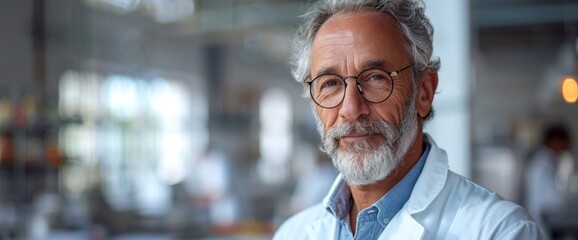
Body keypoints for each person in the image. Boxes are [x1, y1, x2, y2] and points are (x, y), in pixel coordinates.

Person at [274, 0, 545, 239]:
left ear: (424, 92)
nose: (351, 109)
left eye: (375, 78)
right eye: (330, 83)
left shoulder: (500, 231)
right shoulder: (292, 233)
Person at [525, 123, 572, 235]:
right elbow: (553, 200)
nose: (568, 145)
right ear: (554, 140)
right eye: (565, 141)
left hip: (542, 220)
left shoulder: (546, 161)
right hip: (543, 222)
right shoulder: (543, 164)